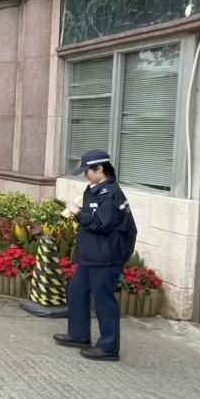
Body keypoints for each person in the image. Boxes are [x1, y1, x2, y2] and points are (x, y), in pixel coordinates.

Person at [54, 149, 138, 362]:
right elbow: (93, 218)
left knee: (103, 301)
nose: (85, 174)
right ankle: (79, 335)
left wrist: (77, 212)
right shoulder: (95, 190)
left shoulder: (111, 193)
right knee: (76, 290)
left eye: (87, 170)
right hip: (92, 254)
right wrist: (79, 212)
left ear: (100, 169)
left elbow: (102, 224)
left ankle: (109, 347)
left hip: (106, 257)